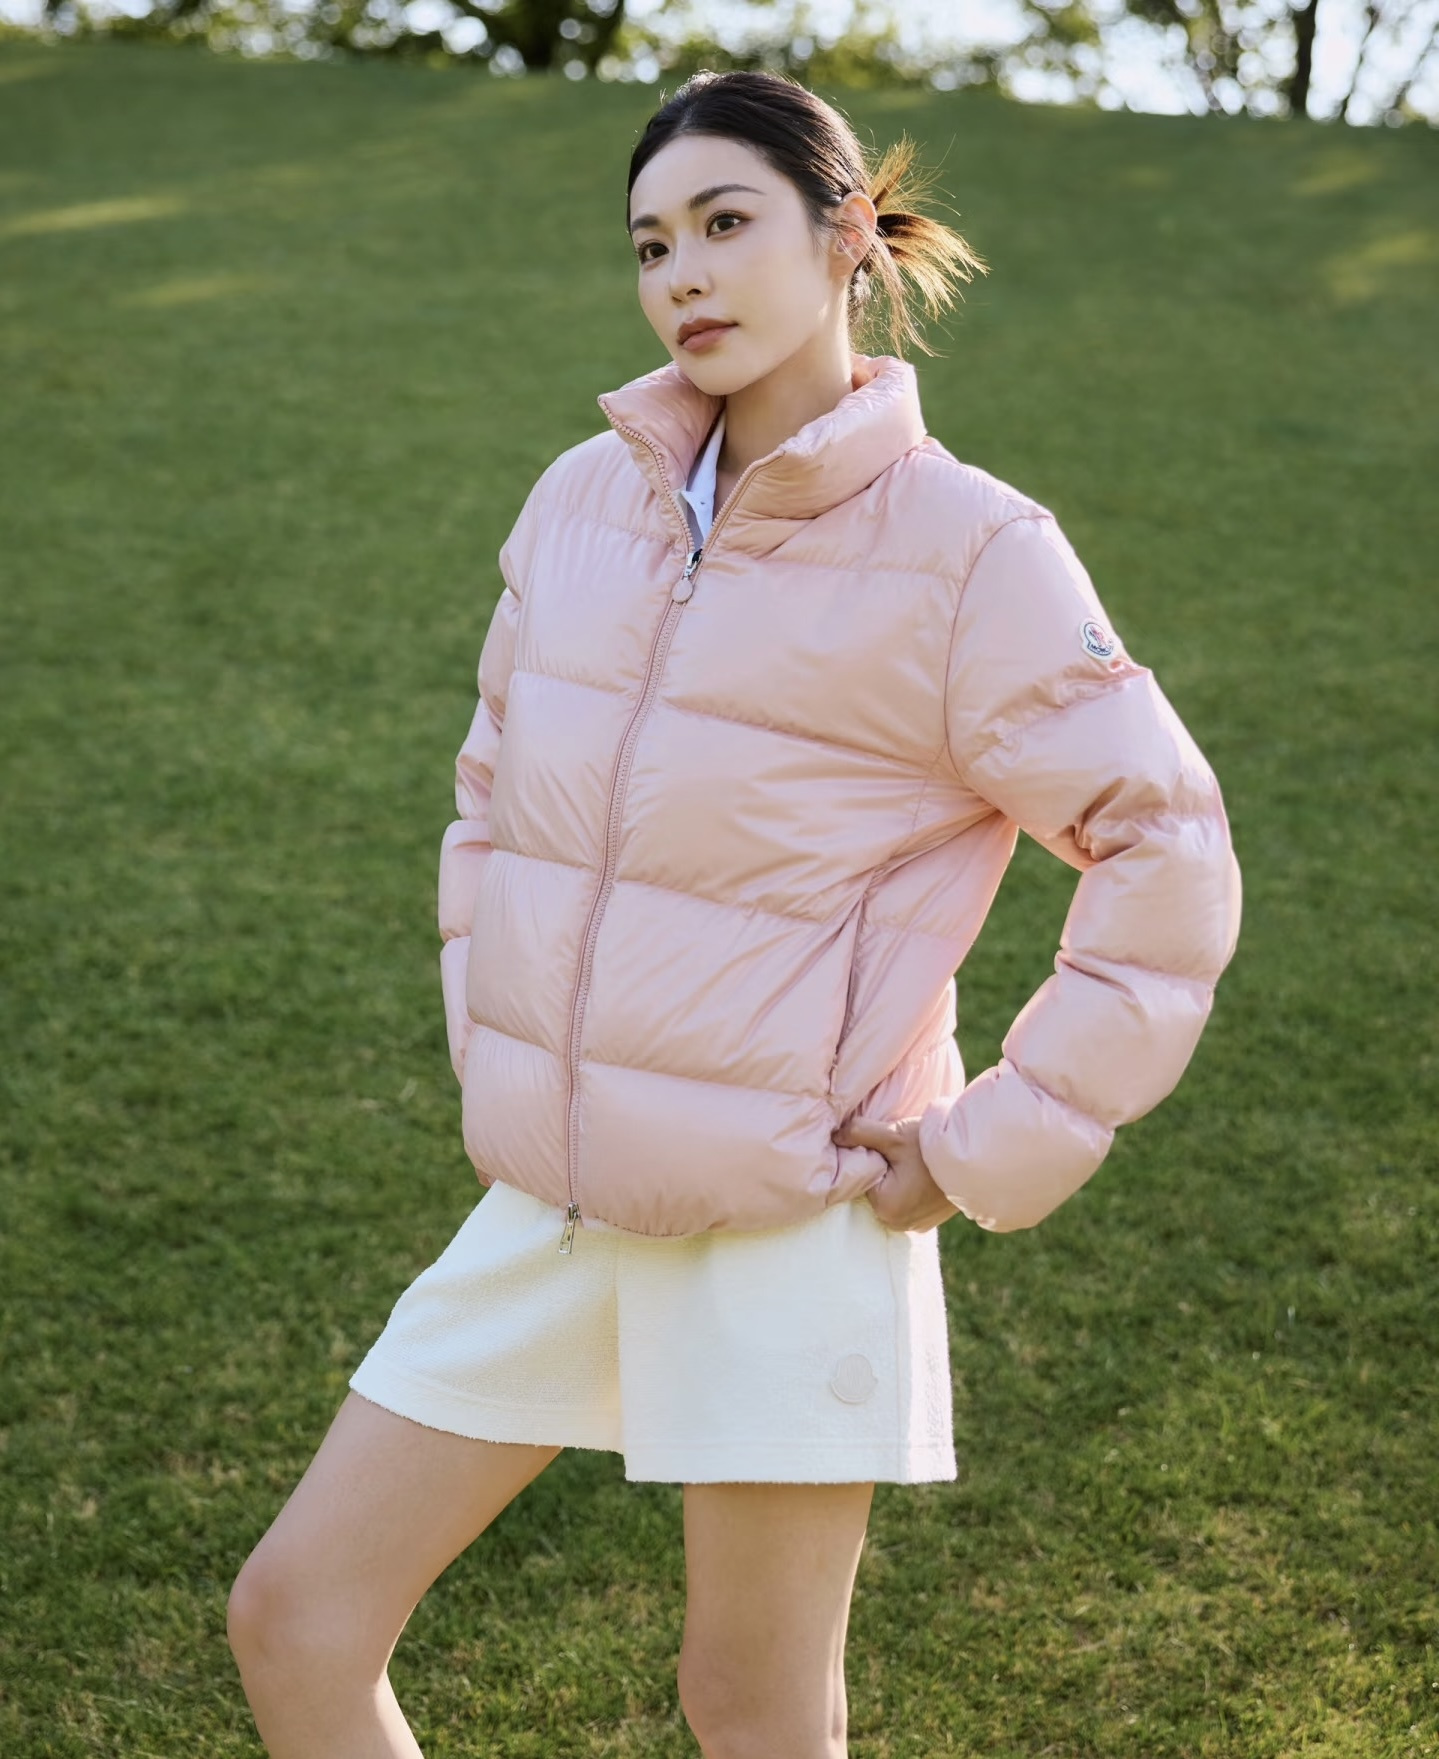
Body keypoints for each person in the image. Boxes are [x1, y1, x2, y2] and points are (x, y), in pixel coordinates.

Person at [227, 67, 1242, 1759]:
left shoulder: (974, 551)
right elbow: (492, 795)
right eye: (651, 245)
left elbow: (1168, 843)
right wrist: (497, 1031)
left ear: (846, 239)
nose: (683, 275)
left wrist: (987, 1145)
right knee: (298, 1620)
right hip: (559, 1194)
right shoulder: (579, 501)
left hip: (791, 1220)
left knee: (753, 1709)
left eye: (723, 224)